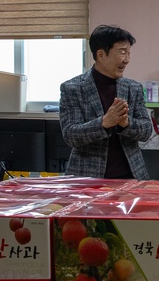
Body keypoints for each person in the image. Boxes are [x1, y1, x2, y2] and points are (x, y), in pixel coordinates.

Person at [60, 24, 152, 179]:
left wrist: (126, 123)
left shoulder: (133, 88)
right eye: (122, 53)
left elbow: (146, 131)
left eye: (129, 53)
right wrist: (103, 122)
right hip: (88, 179)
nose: (127, 60)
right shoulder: (73, 88)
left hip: (131, 176)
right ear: (101, 55)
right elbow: (71, 135)